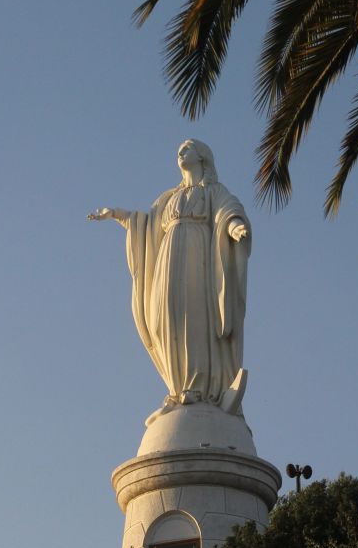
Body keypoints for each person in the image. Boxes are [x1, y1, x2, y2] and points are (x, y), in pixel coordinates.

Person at [89, 140, 251, 422]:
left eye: (187, 148)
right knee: (166, 319)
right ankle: (179, 391)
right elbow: (149, 225)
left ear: (202, 157)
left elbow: (228, 210)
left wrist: (235, 227)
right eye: (179, 150)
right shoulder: (169, 197)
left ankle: (202, 390)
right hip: (168, 259)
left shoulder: (213, 191)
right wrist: (118, 215)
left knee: (196, 318)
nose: (180, 153)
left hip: (199, 256)